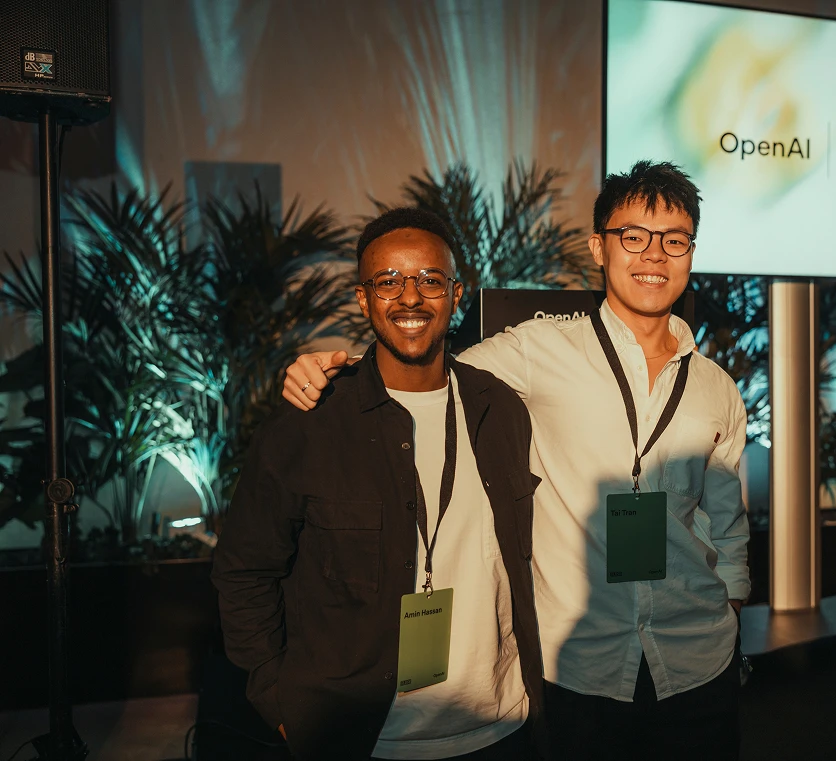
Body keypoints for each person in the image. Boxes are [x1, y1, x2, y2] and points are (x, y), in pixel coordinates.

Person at [282, 162, 750, 760]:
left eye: (674, 239)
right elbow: (422, 373)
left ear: (690, 253)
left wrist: (730, 606)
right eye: (633, 236)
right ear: (598, 248)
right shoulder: (537, 349)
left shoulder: (716, 387)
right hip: (578, 668)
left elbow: (726, 520)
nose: (653, 255)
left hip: (698, 664)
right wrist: (319, 372)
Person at [212, 208, 544, 761]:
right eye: (388, 281)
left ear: (456, 296)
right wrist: (279, 702)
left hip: (498, 727)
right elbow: (245, 573)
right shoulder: (312, 418)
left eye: (429, 280)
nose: (409, 298)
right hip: (361, 738)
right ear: (364, 299)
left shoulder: (501, 410)